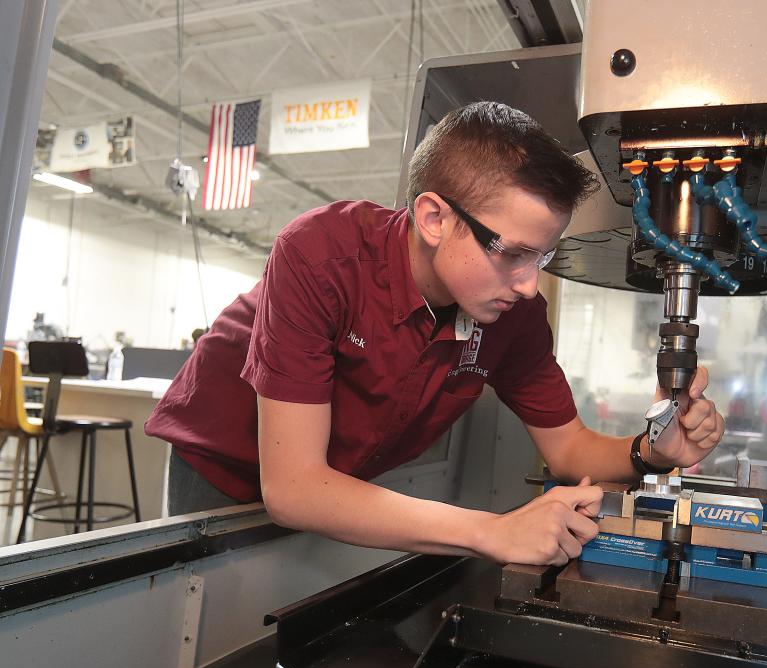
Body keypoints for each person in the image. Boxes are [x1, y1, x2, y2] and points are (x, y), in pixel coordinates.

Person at [145, 102, 725, 567]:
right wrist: (494, 532)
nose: (529, 285)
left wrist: (651, 450)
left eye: (543, 255)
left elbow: (569, 448)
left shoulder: (512, 312)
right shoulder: (321, 254)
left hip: (331, 485)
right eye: (515, 254)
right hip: (223, 470)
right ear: (434, 218)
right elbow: (294, 488)